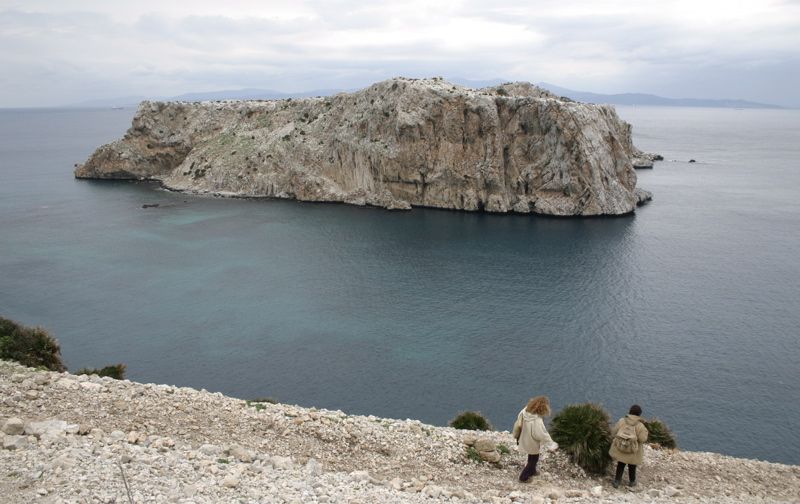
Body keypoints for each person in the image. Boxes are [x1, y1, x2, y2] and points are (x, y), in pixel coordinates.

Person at [512, 395, 556, 482]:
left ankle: (533, 471)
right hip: (532, 441)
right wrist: (551, 443)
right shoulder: (537, 420)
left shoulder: (525, 411)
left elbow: (518, 422)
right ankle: (523, 477)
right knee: (534, 459)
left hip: (523, 437)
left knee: (531, 455)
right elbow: (541, 433)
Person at [609, 404, 649, 488]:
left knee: (621, 464)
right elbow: (642, 439)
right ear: (639, 414)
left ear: (630, 411)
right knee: (632, 466)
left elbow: (614, 432)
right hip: (633, 451)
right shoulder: (640, 426)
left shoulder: (622, 421)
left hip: (621, 448)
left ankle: (617, 481)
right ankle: (632, 482)